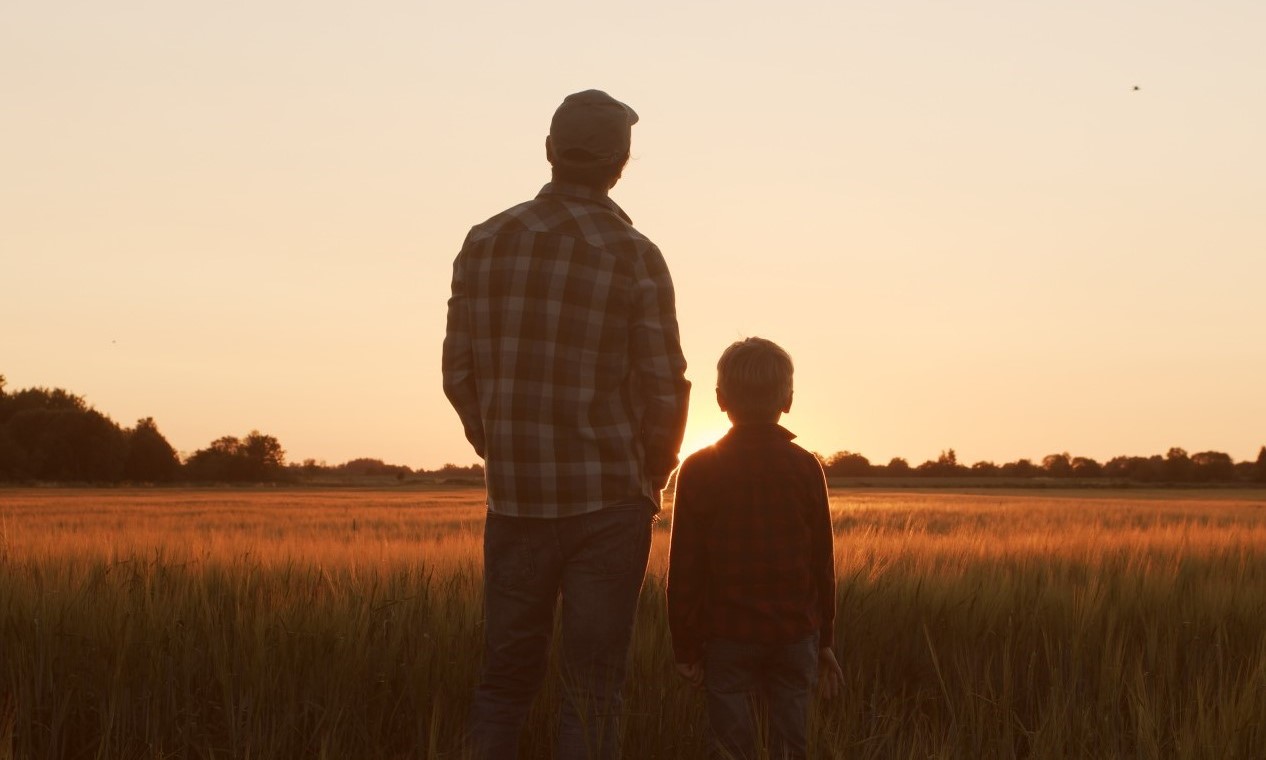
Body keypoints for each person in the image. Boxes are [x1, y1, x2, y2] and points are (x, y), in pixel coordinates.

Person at [443, 89, 691, 760]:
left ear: (550, 151)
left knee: (502, 681)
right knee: (592, 688)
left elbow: (458, 372)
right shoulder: (634, 254)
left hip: (515, 500)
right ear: (621, 163)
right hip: (610, 499)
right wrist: (654, 469)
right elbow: (665, 382)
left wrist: (498, 448)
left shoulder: (485, 241)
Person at [666, 337, 843, 760]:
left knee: (731, 748)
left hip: (727, 637)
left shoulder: (698, 468)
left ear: (720, 399)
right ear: (789, 399)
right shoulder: (805, 467)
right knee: (790, 746)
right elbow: (823, 564)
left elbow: (684, 569)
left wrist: (685, 648)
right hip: (794, 636)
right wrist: (824, 642)